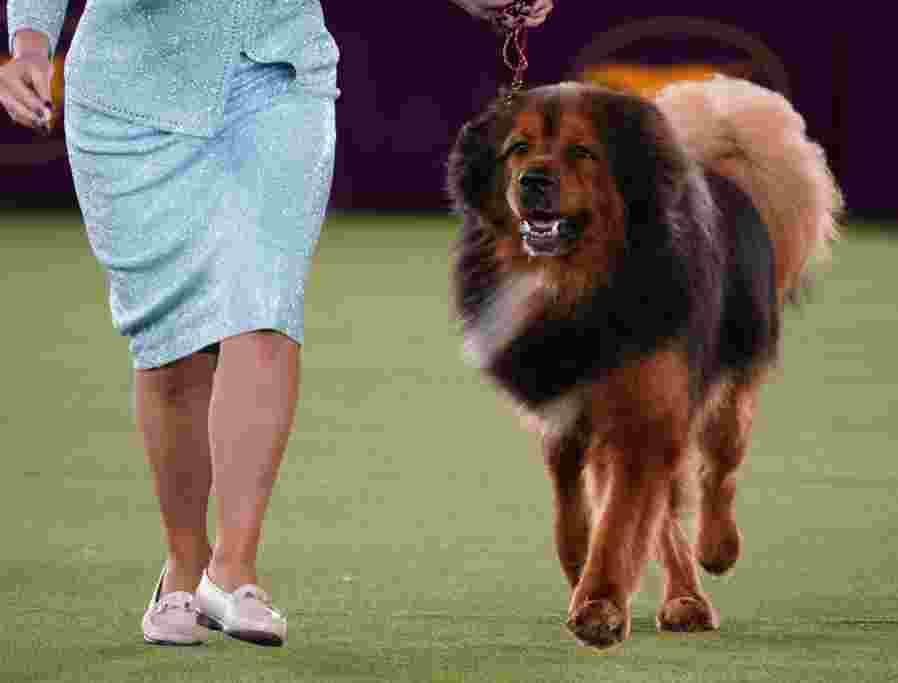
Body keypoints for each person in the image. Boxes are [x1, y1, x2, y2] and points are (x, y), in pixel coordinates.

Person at [1, 0, 553, 648]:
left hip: (277, 73)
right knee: (170, 344)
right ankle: (185, 561)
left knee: (264, 299)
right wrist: (31, 42)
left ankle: (234, 567)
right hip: (129, 93)